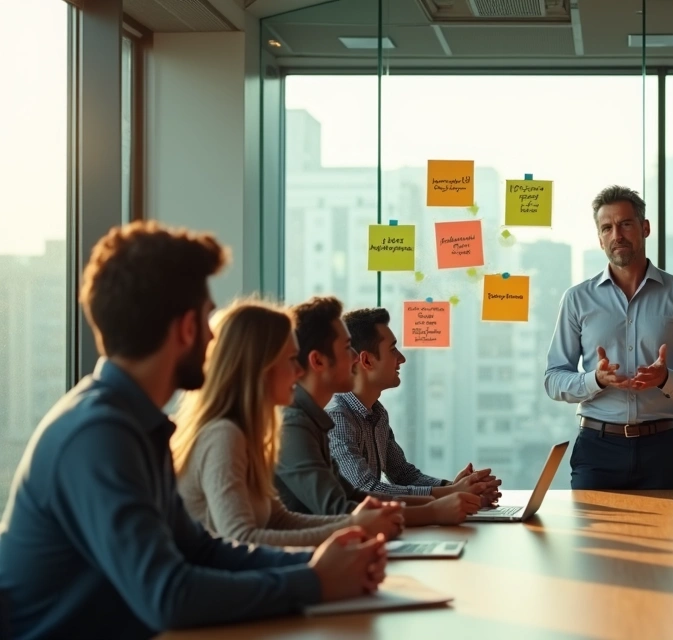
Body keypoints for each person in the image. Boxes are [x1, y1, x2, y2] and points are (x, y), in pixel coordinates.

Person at [0, 222, 385, 639]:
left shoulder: (135, 426)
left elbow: (200, 549)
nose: (214, 339)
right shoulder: (98, 436)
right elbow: (169, 596)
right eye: (208, 320)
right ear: (186, 328)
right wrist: (315, 582)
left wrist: (322, 565)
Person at [172, 299, 406, 547]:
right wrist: (353, 527)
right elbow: (241, 538)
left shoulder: (250, 434)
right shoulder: (224, 435)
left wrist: (355, 525)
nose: (299, 371)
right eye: (292, 359)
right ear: (261, 367)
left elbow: (279, 519)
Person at [543, 185, 673, 490]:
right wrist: (594, 379)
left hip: (661, 449)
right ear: (599, 239)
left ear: (644, 228)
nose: (616, 235)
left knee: (667, 538)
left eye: (625, 224)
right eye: (607, 228)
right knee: (592, 538)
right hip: (597, 450)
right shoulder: (576, 299)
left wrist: (666, 379)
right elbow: (553, 380)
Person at [276, 296, 480, 525]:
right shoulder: (300, 422)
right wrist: (436, 508)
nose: (355, 358)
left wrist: (450, 493)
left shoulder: (317, 419)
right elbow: (341, 508)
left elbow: (357, 497)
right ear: (318, 361)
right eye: (346, 348)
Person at [328, 307, 500, 505]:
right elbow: (367, 490)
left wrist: (457, 486)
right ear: (366, 360)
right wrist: (453, 492)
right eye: (392, 349)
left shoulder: (377, 413)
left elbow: (404, 475)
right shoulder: (337, 418)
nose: (402, 358)